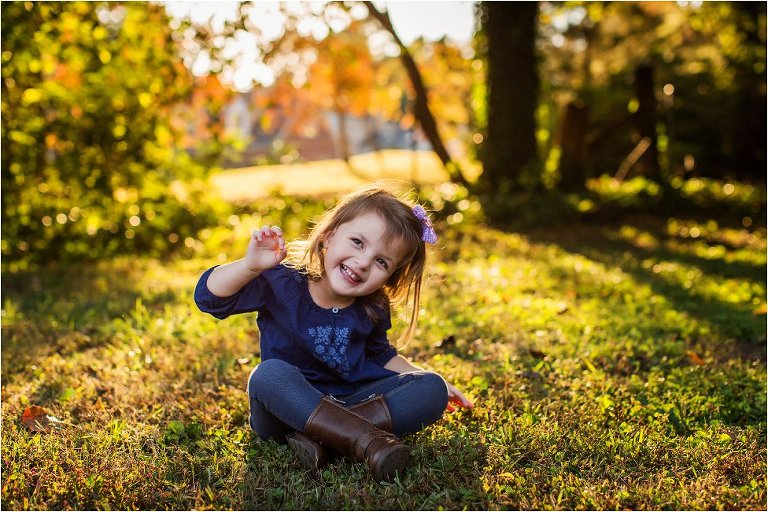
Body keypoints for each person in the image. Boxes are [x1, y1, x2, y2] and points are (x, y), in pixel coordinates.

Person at [194, 185, 473, 483]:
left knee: (431, 387)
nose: (364, 261)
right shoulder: (282, 280)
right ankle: (367, 442)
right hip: (283, 413)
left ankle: (323, 442)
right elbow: (208, 298)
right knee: (268, 374)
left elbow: (380, 355)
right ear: (328, 235)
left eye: (382, 262)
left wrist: (423, 377)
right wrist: (250, 267)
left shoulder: (374, 304)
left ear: (390, 277)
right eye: (357, 242)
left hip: (350, 402)